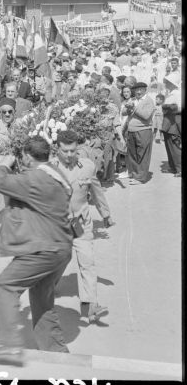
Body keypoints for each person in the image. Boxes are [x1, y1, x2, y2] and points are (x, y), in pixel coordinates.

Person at [0, 136, 73, 365]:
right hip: (61, 249)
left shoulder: (35, 178)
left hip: (43, 249)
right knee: (41, 299)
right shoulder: (55, 174)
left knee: (4, 286)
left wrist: (4, 163)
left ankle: (10, 348)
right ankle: (55, 351)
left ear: (26, 156)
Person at [52, 130, 114, 324]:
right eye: (65, 151)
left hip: (81, 224)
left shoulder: (87, 167)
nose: (70, 155)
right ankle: (48, 286)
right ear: (57, 149)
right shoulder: (48, 169)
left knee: (87, 263)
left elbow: (96, 191)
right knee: (58, 263)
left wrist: (105, 214)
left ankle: (89, 307)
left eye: (73, 151)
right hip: (58, 226)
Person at [123, 82, 155, 184]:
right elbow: (123, 112)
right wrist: (128, 108)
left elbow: (146, 115)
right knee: (132, 155)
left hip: (143, 130)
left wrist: (134, 108)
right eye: (136, 90)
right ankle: (135, 174)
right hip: (131, 130)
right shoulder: (132, 100)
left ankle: (140, 178)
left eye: (141, 89)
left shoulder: (148, 101)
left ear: (145, 90)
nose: (139, 92)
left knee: (143, 155)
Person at [161, 72, 181, 176]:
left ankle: (179, 168)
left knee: (174, 144)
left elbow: (178, 108)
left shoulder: (177, 93)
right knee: (169, 144)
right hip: (168, 120)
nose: (166, 83)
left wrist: (166, 107)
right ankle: (173, 167)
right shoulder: (171, 93)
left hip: (173, 120)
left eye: (168, 82)